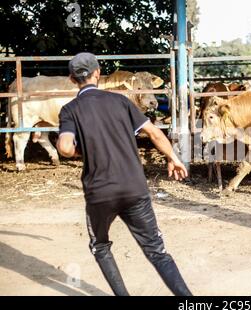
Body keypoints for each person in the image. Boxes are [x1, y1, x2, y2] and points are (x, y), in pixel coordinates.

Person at [57, 52, 193, 295]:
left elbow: (65, 148)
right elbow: (155, 134)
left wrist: (83, 150)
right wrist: (173, 159)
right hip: (134, 188)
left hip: (99, 194)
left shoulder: (69, 110)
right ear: (98, 73)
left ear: (71, 79)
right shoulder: (120, 102)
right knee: (156, 251)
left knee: (100, 246)